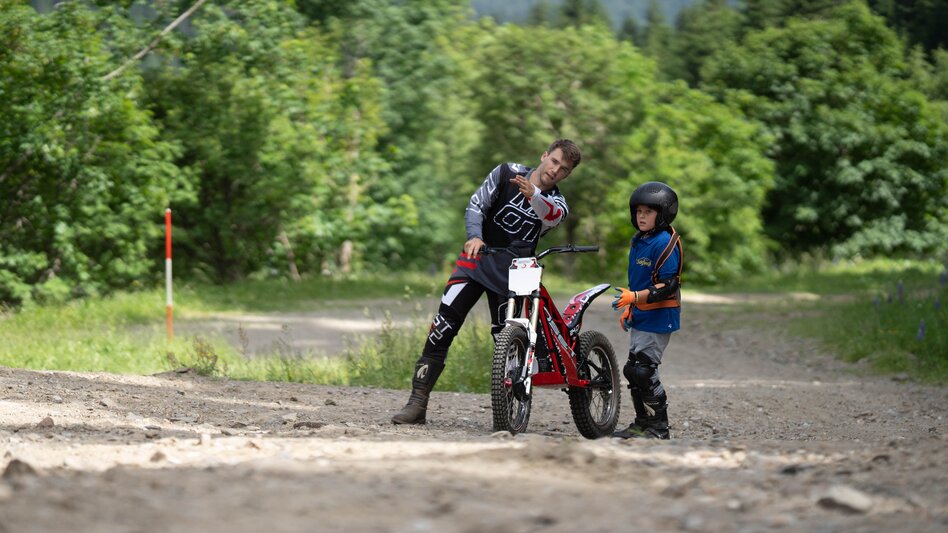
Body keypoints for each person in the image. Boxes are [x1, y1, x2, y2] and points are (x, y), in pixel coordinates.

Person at [392, 139, 582, 425]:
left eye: (564, 169)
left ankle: (505, 413)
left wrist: (534, 195)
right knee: (442, 326)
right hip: (477, 257)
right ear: (544, 156)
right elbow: (476, 204)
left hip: (518, 270)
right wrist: (474, 235)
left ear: (567, 175)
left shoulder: (558, 203)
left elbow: (551, 215)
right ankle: (417, 403)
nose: (556, 170)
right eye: (554, 161)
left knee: (508, 340)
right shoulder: (507, 172)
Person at [611, 181, 682, 439]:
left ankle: (659, 427)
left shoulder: (664, 242)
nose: (642, 216)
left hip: (660, 315)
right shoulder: (641, 240)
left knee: (644, 370)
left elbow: (667, 285)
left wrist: (634, 298)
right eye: (638, 211)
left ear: (662, 214)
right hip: (644, 313)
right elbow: (641, 281)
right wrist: (632, 306)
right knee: (633, 369)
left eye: (648, 212)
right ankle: (643, 424)